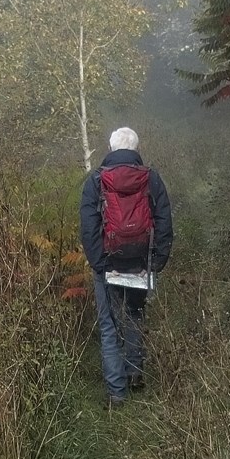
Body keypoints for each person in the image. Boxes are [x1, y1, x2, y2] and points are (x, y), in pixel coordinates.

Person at [78, 126, 174, 405]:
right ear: (136, 148)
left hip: (108, 262)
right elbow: (164, 220)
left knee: (109, 326)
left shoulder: (96, 180)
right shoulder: (151, 178)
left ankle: (116, 393)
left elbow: (88, 227)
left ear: (110, 148)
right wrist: (157, 261)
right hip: (140, 262)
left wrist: (99, 264)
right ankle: (134, 373)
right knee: (135, 315)